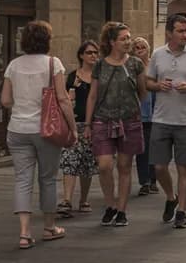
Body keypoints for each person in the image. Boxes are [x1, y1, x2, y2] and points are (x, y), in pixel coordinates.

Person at [0, 20, 76, 249]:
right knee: (48, 178)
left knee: (23, 180)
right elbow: (63, 99)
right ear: (47, 41)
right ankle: (49, 227)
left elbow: (5, 100)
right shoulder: (53, 63)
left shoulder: (13, 65)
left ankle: (24, 233)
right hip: (46, 131)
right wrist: (72, 128)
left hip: (17, 129)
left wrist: (22, 103)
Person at [146, 15, 186, 229]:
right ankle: (170, 197)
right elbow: (147, 81)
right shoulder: (157, 54)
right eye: (181, 31)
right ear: (169, 33)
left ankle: (182, 211)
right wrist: (157, 86)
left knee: (184, 167)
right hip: (161, 118)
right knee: (159, 167)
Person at [83, 23, 146, 227]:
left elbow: (142, 92)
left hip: (129, 120)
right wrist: (87, 124)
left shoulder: (136, 64)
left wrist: (133, 110)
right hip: (103, 119)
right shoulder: (100, 65)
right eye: (123, 38)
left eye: (129, 37)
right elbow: (92, 95)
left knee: (125, 166)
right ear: (112, 42)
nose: (128, 41)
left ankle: (121, 210)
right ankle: (110, 205)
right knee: (104, 166)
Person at [57, 41, 99, 217]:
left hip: (94, 126)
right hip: (75, 124)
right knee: (70, 161)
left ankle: (83, 199)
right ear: (81, 55)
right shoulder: (74, 76)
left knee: (87, 163)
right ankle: (67, 200)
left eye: (96, 53)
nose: (93, 56)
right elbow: (66, 98)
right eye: (89, 53)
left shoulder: (99, 77)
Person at [132, 36, 157, 196]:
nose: (140, 49)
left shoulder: (155, 66)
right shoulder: (132, 67)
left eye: (143, 47)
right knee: (141, 149)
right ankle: (145, 181)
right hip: (139, 113)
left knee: (155, 147)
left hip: (156, 111)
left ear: (148, 49)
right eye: (137, 47)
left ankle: (154, 179)